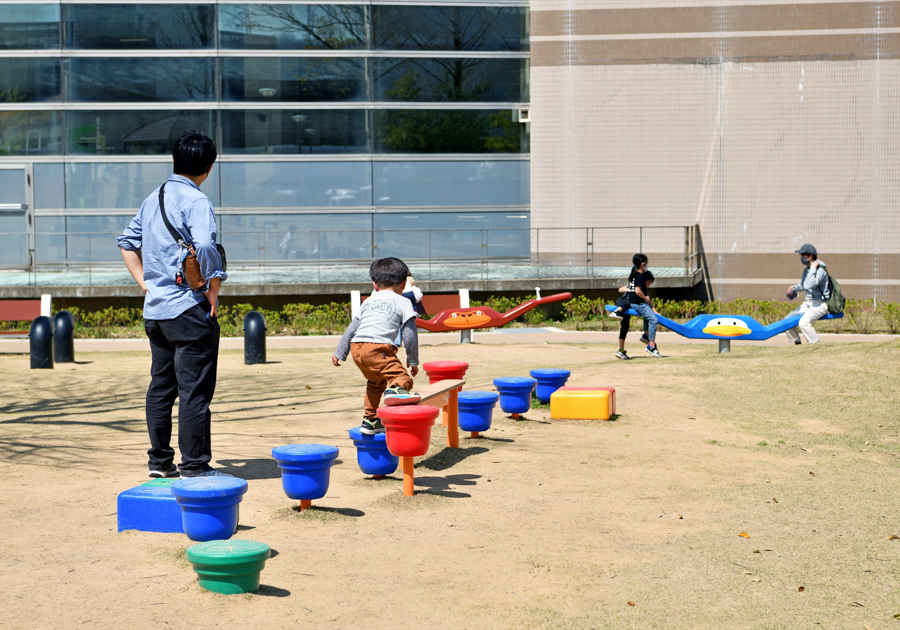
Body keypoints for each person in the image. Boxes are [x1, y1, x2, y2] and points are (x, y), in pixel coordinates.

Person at [117, 130, 230, 479]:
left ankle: (159, 463)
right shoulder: (197, 202)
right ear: (209, 167)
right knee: (194, 392)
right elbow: (206, 246)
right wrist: (213, 285)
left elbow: (126, 242)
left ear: (173, 161)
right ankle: (195, 467)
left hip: (157, 313)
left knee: (161, 388)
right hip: (188, 310)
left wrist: (146, 286)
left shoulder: (153, 197)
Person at [332, 258, 421, 435]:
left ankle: (370, 420)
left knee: (375, 382)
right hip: (378, 348)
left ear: (375, 284)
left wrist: (340, 352)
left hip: (357, 348)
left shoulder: (368, 302)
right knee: (403, 379)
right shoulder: (403, 301)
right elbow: (410, 334)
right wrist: (413, 359)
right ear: (404, 284)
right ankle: (395, 390)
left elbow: (352, 328)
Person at [618, 254, 662, 358]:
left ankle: (647, 336)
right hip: (637, 303)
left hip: (637, 303)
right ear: (643, 264)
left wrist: (654, 310)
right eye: (646, 264)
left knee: (650, 316)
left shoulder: (635, 276)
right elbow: (637, 291)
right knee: (653, 320)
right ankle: (651, 345)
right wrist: (645, 298)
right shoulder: (639, 277)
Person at [785, 244, 831, 345]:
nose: (801, 258)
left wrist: (813, 269)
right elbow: (804, 285)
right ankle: (797, 343)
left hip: (821, 304)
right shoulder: (807, 270)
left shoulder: (820, 270)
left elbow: (810, 284)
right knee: (787, 321)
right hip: (809, 303)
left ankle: (815, 344)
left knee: (804, 323)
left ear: (810, 256)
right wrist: (794, 287)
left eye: (803, 255)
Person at [610, 271, 654, 360]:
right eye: (647, 282)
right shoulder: (634, 285)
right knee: (626, 303)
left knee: (625, 327)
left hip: (629, 308)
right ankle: (616, 312)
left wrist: (654, 310)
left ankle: (621, 351)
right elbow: (620, 290)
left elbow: (648, 302)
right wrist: (631, 289)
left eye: (650, 284)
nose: (648, 285)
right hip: (623, 302)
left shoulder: (643, 292)